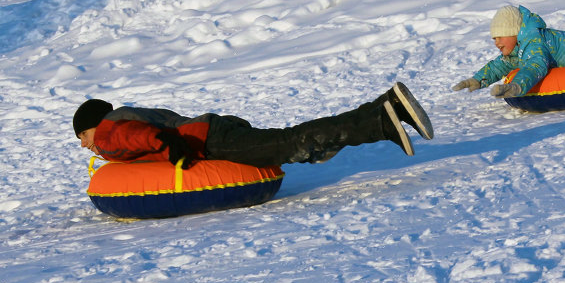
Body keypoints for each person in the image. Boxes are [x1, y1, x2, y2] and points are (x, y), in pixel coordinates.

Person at [73, 82, 433, 168]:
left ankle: (380, 120)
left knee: (292, 143)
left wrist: (174, 151)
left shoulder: (108, 131)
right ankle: (382, 109)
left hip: (210, 139)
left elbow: (145, 137)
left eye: (83, 136)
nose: (87, 145)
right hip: (213, 126)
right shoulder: (125, 113)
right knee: (291, 142)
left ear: (93, 126)